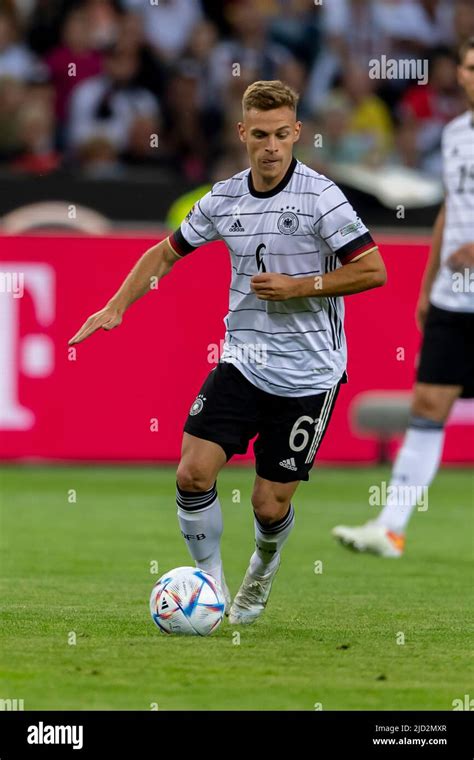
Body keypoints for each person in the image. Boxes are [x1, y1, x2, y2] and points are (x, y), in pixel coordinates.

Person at [69, 80, 386, 624]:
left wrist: (300, 286)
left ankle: (262, 567)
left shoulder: (323, 198)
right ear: (243, 133)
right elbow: (163, 254)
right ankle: (210, 585)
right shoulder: (224, 198)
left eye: (281, 135)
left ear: (296, 134)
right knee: (192, 473)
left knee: (269, 505)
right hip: (243, 361)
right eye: (259, 134)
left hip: (310, 375)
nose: (270, 146)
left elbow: (374, 270)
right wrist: (117, 305)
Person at [332, 38, 474, 558]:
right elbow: (448, 213)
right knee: (428, 404)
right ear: (459, 73)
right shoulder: (456, 135)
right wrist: (427, 284)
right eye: (470, 66)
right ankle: (390, 526)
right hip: (453, 303)